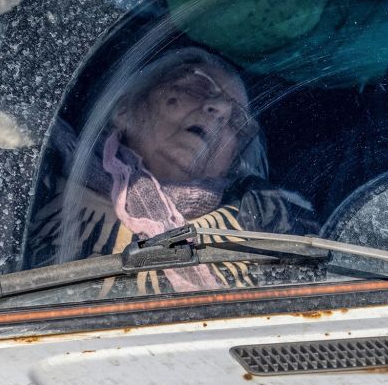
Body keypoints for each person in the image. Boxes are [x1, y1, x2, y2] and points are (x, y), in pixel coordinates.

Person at [28, 46, 315, 295]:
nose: (219, 109)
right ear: (124, 109)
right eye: (199, 86)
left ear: (231, 161)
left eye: (236, 120)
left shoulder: (269, 215)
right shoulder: (36, 174)